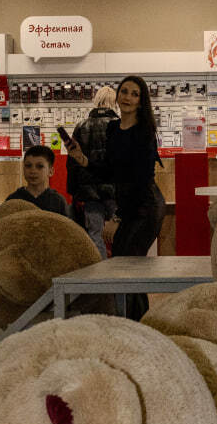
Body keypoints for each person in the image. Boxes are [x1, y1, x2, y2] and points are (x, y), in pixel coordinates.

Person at [68, 75, 165, 320]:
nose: (128, 98)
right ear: (117, 95)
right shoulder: (113, 128)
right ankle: (137, 323)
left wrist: (117, 217)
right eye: (125, 92)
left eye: (135, 94)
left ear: (141, 101)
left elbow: (141, 181)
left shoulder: (144, 133)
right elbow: (111, 171)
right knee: (128, 269)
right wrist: (83, 159)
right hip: (128, 204)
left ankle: (135, 324)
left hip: (144, 206)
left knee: (127, 267)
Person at [65, 85, 119, 257]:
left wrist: (73, 191)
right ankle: (123, 273)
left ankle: (98, 274)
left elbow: (72, 162)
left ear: (96, 101)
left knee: (95, 234)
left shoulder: (81, 126)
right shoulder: (120, 126)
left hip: (89, 193)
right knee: (119, 232)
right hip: (115, 192)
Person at [5, 145, 70, 216]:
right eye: (28, 166)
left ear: (51, 171)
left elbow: (65, 226)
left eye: (40, 166)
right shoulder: (13, 200)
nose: (33, 171)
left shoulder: (58, 202)